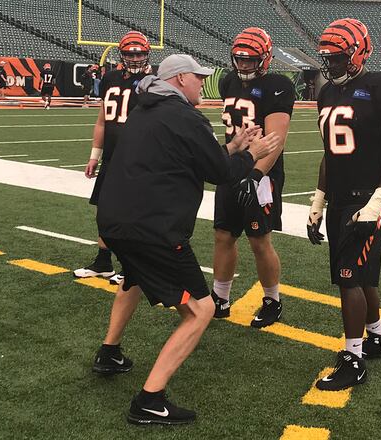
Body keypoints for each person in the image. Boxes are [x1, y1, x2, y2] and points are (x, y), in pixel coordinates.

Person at [92, 54, 281, 425]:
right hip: (152, 228)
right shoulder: (184, 116)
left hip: (115, 221)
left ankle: (109, 352)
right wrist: (252, 154)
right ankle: (150, 398)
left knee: (132, 279)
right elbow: (220, 173)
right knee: (201, 309)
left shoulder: (147, 109)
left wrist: (236, 145)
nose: (202, 84)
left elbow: (198, 159)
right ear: (179, 80)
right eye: (197, 78)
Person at [306, 18, 381, 391]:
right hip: (340, 194)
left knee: (349, 275)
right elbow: (330, 151)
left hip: (372, 196)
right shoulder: (325, 93)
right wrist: (319, 199)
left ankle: (354, 358)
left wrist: (377, 203)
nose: (331, 65)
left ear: (359, 51)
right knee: (358, 272)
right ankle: (378, 337)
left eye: (338, 58)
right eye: (327, 59)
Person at [211, 27, 295, 328]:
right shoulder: (228, 80)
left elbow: (276, 140)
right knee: (223, 233)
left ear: (266, 58)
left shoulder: (278, 85)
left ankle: (273, 300)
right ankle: (220, 297)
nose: (244, 65)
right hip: (232, 166)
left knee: (259, 239)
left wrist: (257, 174)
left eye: (251, 60)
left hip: (262, 172)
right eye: (240, 59)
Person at [74, 31, 152, 284]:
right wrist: (94, 155)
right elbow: (102, 120)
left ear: (147, 54)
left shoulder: (154, 81)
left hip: (138, 160)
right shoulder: (110, 78)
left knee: (133, 213)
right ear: (122, 54)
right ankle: (103, 261)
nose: (135, 57)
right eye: (130, 53)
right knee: (104, 211)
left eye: (139, 53)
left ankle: (133, 266)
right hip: (111, 157)